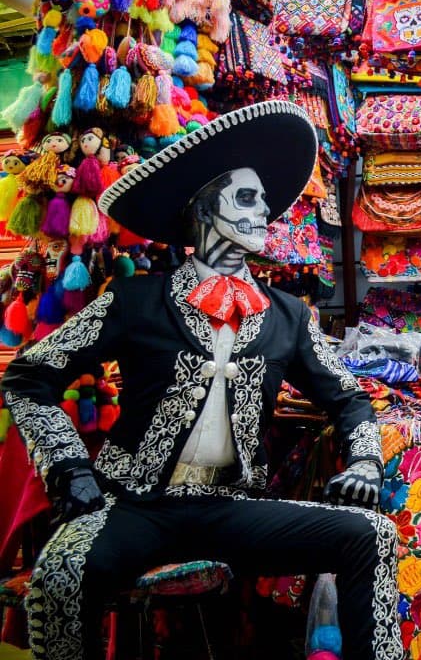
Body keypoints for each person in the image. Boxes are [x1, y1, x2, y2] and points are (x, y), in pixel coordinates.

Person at [1, 101, 400, 660]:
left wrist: (363, 462)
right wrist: (67, 465)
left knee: (372, 537)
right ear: (204, 211)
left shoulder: (288, 315)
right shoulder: (136, 299)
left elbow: (351, 400)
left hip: (234, 508)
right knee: (63, 572)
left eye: (263, 199)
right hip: (136, 505)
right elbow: (27, 374)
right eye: (247, 197)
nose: (265, 212)